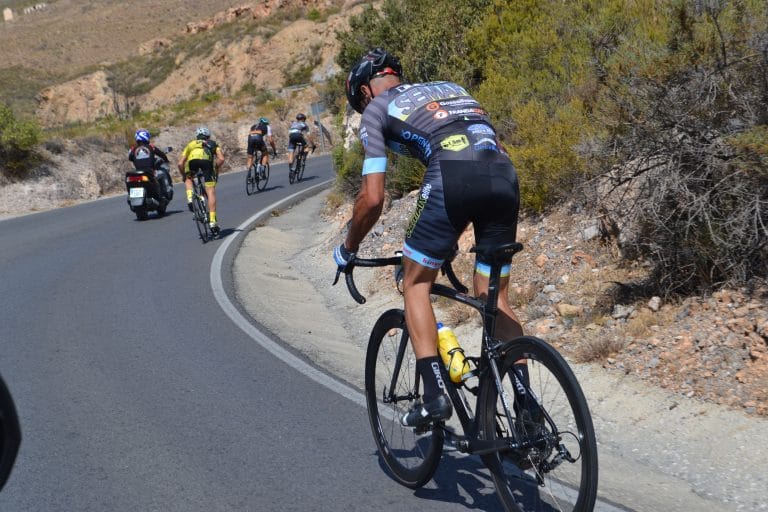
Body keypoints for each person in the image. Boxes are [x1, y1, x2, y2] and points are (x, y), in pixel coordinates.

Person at [333, 48, 523, 427]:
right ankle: (526, 406)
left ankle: (434, 397)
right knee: (493, 294)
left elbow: (372, 198)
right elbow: (486, 154)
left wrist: (348, 247)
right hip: (504, 176)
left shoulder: (376, 109)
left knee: (414, 282)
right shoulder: (451, 87)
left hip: (451, 178)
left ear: (365, 93)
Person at [178, 126, 225, 235]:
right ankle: (213, 222)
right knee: (210, 191)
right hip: (207, 164)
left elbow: (180, 163)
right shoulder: (213, 143)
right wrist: (216, 167)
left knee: (189, 179)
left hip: (192, 162)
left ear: (197, 136)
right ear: (208, 136)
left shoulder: (191, 144)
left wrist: (184, 176)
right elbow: (221, 158)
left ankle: (190, 198)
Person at [127, 129, 173, 200]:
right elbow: (161, 154)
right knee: (163, 172)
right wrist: (166, 161)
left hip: (138, 173)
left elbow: (130, 158)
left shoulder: (133, 149)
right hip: (150, 172)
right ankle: (167, 192)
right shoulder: (151, 146)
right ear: (146, 137)